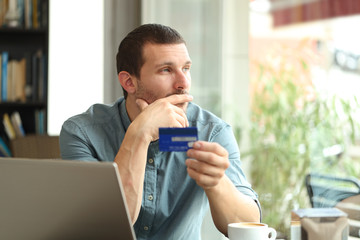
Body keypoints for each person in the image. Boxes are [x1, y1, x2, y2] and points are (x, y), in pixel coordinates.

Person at [60, 23, 261, 239]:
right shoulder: (81, 133)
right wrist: (140, 134)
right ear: (129, 82)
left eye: (186, 68)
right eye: (166, 70)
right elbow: (104, 228)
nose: (183, 83)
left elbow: (250, 226)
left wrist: (217, 182)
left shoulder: (211, 132)